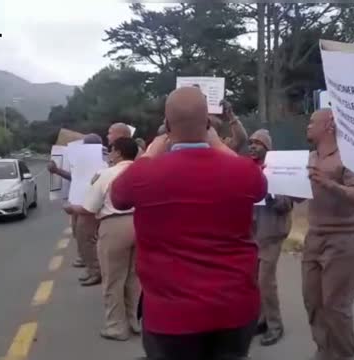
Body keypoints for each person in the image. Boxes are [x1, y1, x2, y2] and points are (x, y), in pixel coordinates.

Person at [111, 87, 266, 360]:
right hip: (234, 309)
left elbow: (118, 197)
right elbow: (260, 187)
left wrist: (150, 153)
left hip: (170, 317)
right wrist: (218, 145)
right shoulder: (243, 171)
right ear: (208, 124)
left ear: (167, 126)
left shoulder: (143, 174)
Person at [302, 109, 354, 360]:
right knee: (313, 302)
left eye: (311, 121)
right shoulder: (308, 157)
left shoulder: (349, 156)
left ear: (329, 125)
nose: (307, 126)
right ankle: (323, 351)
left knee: (336, 307)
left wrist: (328, 183)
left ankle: (342, 355)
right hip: (314, 238)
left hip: (344, 240)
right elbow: (301, 193)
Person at [66, 137, 141, 341]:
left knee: (112, 278)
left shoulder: (106, 174)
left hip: (114, 224)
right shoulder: (143, 171)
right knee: (134, 278)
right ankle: (133, 320)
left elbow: (89, 208)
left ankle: (116, 326)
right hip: (142, 224)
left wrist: (71, 208)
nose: (109, 153)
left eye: (111, 150)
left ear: (117, 152)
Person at [248, 129, 293, 347]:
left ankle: (276, 326)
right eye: (252, 142)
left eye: (258, 143)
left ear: (268, 148)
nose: (253, 146)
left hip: (272, 233)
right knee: (255, 281)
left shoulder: (279, 171)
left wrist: (271, 193)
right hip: (254, 234)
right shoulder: (251, 168)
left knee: (266, 281)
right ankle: (261, 320)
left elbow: (287, 204)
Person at [48, 133, 105, 285]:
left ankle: (96, 271)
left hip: (88, 206)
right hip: (78, 204)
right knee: (79, 235)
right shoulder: (84, 162)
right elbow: (75, 178)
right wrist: (56, 171)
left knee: (87, 238)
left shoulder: (102, 161)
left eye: (86, 145)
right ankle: (90, 267)